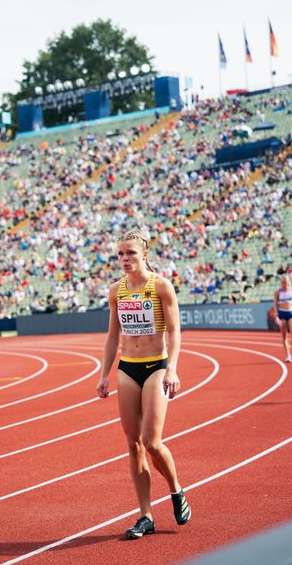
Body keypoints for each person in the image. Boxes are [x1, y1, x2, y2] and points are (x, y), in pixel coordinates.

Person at [96, 228, 191, 539]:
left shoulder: (161, 286)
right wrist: (104, 373)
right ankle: (146, 515)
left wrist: (172, 369)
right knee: (133, 444)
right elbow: (112, 336)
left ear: (145, 254)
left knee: (152, 441)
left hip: (156, 367)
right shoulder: (116, 291)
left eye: (131, 253)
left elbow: (175, 332)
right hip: (127, 367)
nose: (124, 259)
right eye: (120, 254)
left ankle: (176, 490)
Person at [274, 275, 292, 363]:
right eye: (282, 283)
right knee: (284, 335)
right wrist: (276, 316)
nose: (284, 284)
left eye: (285, 282)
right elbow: (275, 304)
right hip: (282, 314)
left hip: (291, 313)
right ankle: (288, 355)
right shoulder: (277, 292)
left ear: (288, 282)